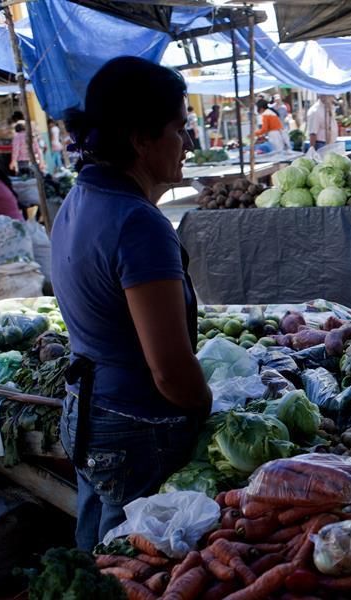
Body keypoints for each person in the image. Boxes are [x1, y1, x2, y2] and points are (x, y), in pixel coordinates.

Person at [53, 56, 211, 550]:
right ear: (141, 138)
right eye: (179, 129)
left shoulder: (80, 198)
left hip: (90, 412)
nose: (188, 144)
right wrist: (208, 406)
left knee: (98, 561)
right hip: (134, 430)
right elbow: (168, 371)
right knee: (132, 568)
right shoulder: (137, 224)